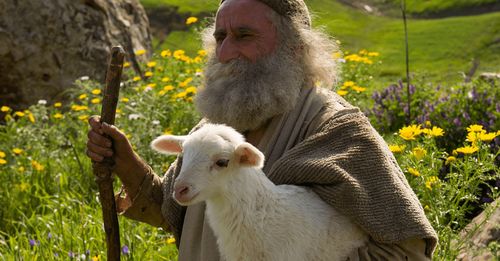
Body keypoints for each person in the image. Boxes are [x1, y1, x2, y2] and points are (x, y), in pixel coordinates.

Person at [86, 0, 438, 260]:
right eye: (220, 36)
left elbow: (406, 250)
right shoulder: (216, 130)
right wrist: (126, 165)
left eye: (243, 36)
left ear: (295, 49)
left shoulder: (335, 129)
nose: (225, 51)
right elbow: (179, 210)